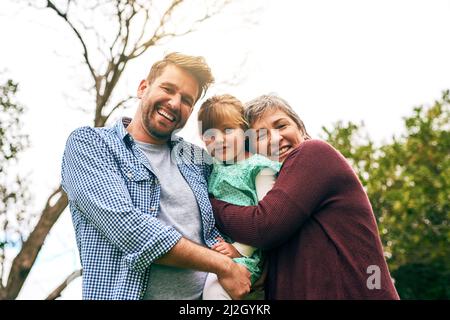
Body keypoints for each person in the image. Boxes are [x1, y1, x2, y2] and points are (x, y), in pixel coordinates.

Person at [61, 52, 251, 300]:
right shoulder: (91, 144)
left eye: (185, 99)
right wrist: (224, 265)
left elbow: (243, 192)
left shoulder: (197, 159)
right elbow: (128, 228)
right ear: (143, 88)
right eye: (168, 89)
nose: (174, 103)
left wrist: (251, 259)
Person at [210, 94, 400, 300]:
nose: (275, 138)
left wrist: (208, 203)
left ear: (300, 127)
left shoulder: (313, 153)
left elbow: (263, 225)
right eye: (260, 136)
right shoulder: (270, 193)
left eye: (281, 125)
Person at [197, 94, 281, 299]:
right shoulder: (212, 168)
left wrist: (240, 250)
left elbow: (269, 217)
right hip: (216, 250)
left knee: (214, 293)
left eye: (227, 130)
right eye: (210, 135)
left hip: (247, 254)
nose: (219, 140)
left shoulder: (258, 167)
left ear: (244, 132)